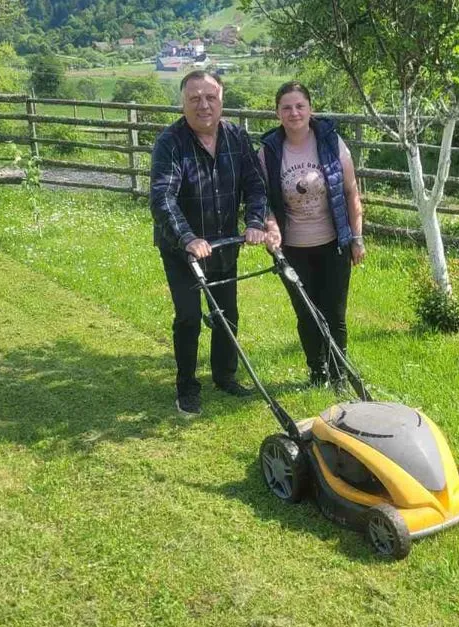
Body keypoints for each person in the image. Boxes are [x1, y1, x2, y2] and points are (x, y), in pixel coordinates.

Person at [150, 70, 278, 417]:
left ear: (221, 100)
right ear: (183, 103)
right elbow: (163, 197)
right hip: (182, 249)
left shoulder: (236, 137)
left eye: (210, 98)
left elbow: (255, 185)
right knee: (189, 317)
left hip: (223, 243)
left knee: (227, 315)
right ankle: (187, 387)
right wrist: (188, 238)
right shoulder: (170, 143)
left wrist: (254, 222)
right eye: (195, 99)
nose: (203, 105)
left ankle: (225, 376)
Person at [258, 81, 365, 387]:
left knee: (334, 313)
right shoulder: (268, 152)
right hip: (293, 248)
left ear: (310, 109)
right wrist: (270, 227)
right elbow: (261, 198)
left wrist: (356, 237)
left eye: (299, 106)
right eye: (286, 108)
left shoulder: (332, 143)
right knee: (307, 313)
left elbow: (350, 191)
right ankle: (317, 372)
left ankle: (338, 373)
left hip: (335, 245)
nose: (294, 113)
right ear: (278, 113)